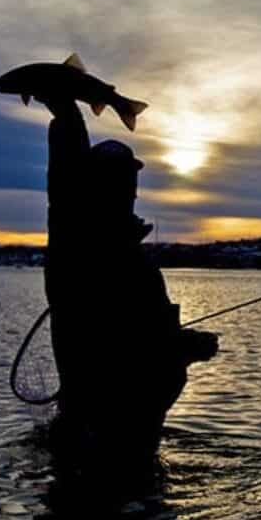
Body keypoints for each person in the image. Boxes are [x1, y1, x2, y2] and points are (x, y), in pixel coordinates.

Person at [41, 97, 217, 475]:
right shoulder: (75, 249)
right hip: (104, 439)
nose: (128, 190)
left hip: (123, 438)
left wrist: (185, 346)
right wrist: (67, 115)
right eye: (118, 181)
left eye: (129, 181)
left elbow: (148, 343)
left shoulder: (136, 263)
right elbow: (119, 345)